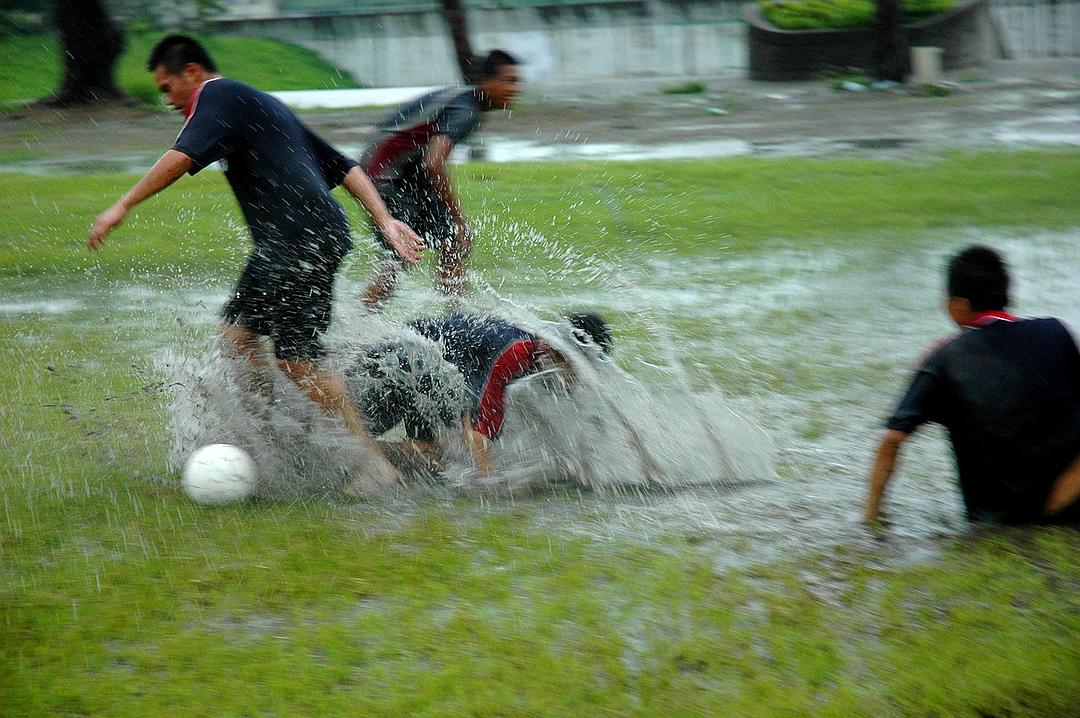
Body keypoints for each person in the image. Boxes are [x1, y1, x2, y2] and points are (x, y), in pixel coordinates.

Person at [86, 34, 426, 493]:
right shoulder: (255, 102)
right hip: (293, 239)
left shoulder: (218, 95)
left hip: (300, 238)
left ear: (192, 73)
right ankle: (278, 438)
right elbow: (345, 166)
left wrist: (123, 204)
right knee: (238, 337)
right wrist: (384, 220)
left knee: (297, 360)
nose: (167, 100)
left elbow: (181, 156)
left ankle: (371, 464)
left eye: (168, 87)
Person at [865, 245, 1080, 524]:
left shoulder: (944, 359)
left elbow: (892, 441)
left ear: (958, 304)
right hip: (1069, 508)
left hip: (995, 523)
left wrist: (870, 520)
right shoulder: (1055, 334)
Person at [346, 312, 612, 477]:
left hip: (405, 367)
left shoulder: (538, 347)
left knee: (436, 462)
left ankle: (361, 447)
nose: (578, 379)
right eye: (578, 369)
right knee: (437, 463)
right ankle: (355, 450)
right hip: (394, 369)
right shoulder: (517, 353)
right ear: (561, 354)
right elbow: (475, 429)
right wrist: (490, 480)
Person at [358, 50, 522, 310]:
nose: (516, 89)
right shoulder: (466, 110)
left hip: (407, 173)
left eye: (517, 82)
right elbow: (433, 163)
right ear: (486, 82)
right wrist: (458, 216)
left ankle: (456, 314)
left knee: (453, 240)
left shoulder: (466, 103)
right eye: (509, 81)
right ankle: (363, 316)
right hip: (385, 174)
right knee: (402, 253)